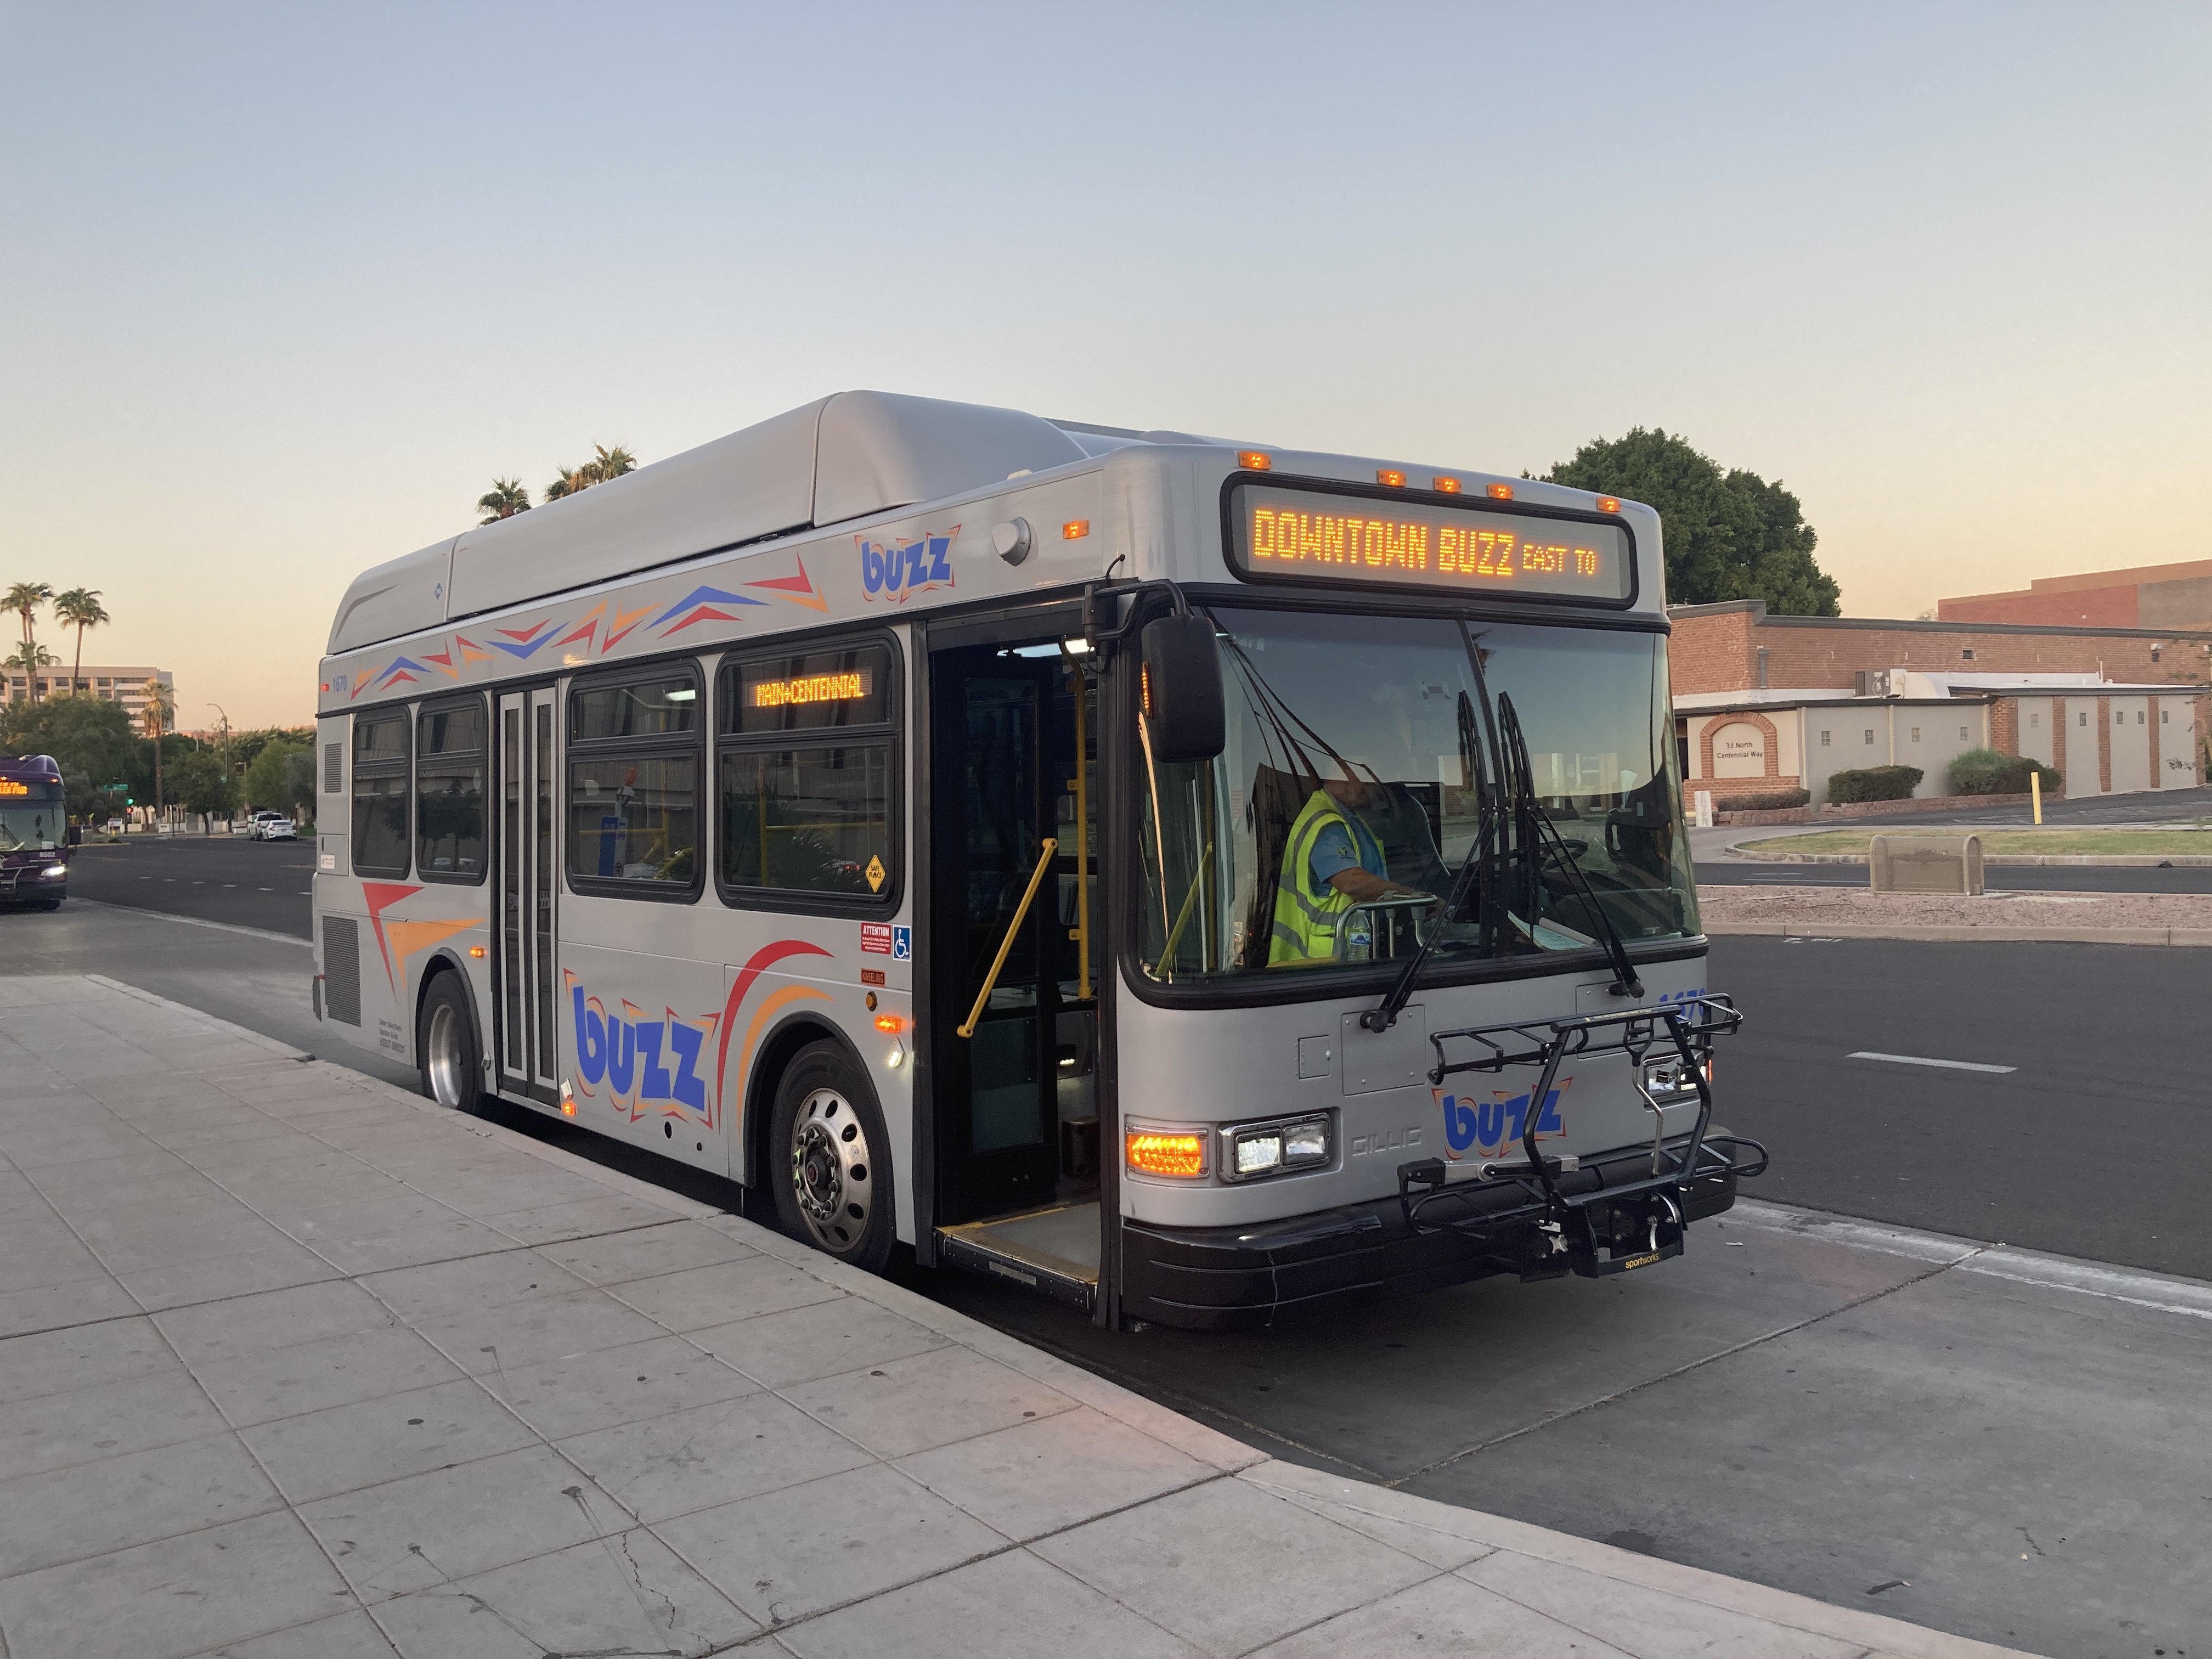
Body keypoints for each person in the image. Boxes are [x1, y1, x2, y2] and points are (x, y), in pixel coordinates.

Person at [1269, 773, 1430, 966]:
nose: (1373, 789)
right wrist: (1417, 899)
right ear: (1341, 779)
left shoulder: (1347, 817)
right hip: (1327, 958)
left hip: (1345, 951)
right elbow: (1351, 882)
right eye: (1365, 781)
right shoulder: (1328, 824)